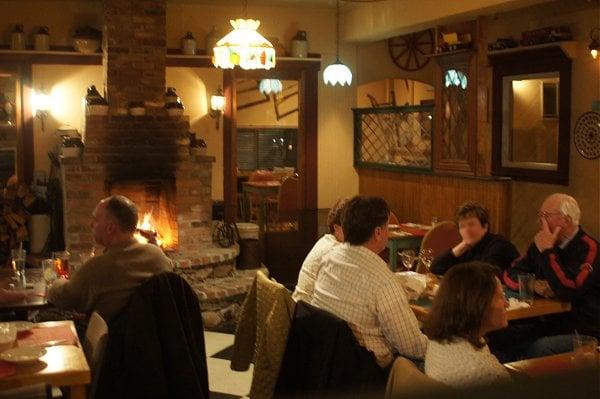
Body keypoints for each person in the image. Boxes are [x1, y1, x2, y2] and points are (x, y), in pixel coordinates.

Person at [311, 195, 428, 368]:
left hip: (325, 359)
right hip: (366, 372)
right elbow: (412, 346)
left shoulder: (329, 258)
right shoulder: (382, 280)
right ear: (378, 232)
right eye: (387, 226)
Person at [48, 195, 173, 322]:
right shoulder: (158, 255)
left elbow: (63, 298)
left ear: (110, 228)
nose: (91, 224)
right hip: (154, 335)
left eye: (95, 220)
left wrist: (55, 281)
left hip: (112, 339)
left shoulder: (97, 267)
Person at [503, 193, 599, 341]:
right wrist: (532, 284)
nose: (539, 221)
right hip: (545, 321)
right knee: (501, 336)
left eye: (545, 216)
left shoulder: (589, 248)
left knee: (537, 347)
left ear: (566, 220)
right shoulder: (540, 244)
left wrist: (548, 252)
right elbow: (510, 272)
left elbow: (569, 290)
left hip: (580, 329)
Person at [424, 262, 511, 388]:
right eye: (500, 296)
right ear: (477, 304)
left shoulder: (438, 342)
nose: (506, 303)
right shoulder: (484, 374)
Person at [431, 201, 519, 276]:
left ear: (485, 227)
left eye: (471, 224)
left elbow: (485, 277)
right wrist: (461, 247)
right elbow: (435, 269)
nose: (467, 230)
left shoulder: (499, 245)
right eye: (462, 226)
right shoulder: (466, 249)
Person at [292, 197, 349, 303]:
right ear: (336, 228)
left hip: (300, 307)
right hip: (308, 312)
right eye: (349, 226)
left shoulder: (325, 240)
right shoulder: (335, 250)